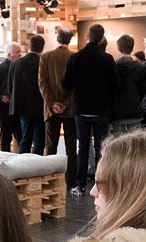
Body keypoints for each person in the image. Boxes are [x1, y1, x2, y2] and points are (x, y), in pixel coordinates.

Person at [61, 24, 118, 197]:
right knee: (101, 149)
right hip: (102, 111)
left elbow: (66, 84)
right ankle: (100, 186)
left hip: (81, 110)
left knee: (83, 148)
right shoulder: (107, 59)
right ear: (102, 38)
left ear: (87, 37)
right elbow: (115, 85)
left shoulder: (75, 58)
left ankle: (80, 185)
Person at [38, 27, 77, 191]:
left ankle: (50, 181)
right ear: (70, 40)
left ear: (57, 38)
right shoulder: (74, 57)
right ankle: (71, 181)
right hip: (70, 109)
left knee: (51, 146)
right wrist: (65, 104)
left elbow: (42, 83)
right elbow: (76, 86)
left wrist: (53, 103)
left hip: (50, 109)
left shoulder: (46, 57)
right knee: (70, 146)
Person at [9, 35, 46, 155]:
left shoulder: (16, 64)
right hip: (40, 106)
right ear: (42, 48)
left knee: (25, 138)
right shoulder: (42, 63)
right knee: (39, 140)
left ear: (28, 46)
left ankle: (24, 166)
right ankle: (37, 166)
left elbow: (10, 86)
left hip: (22, 106)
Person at [112, 34, 146, 133]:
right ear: (132, 47)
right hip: (135, 111)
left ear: (118, 48)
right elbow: (144, 89)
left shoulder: (113, 67)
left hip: (117, 113)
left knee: (118, 145)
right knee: (135, 145)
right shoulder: (141, 68)